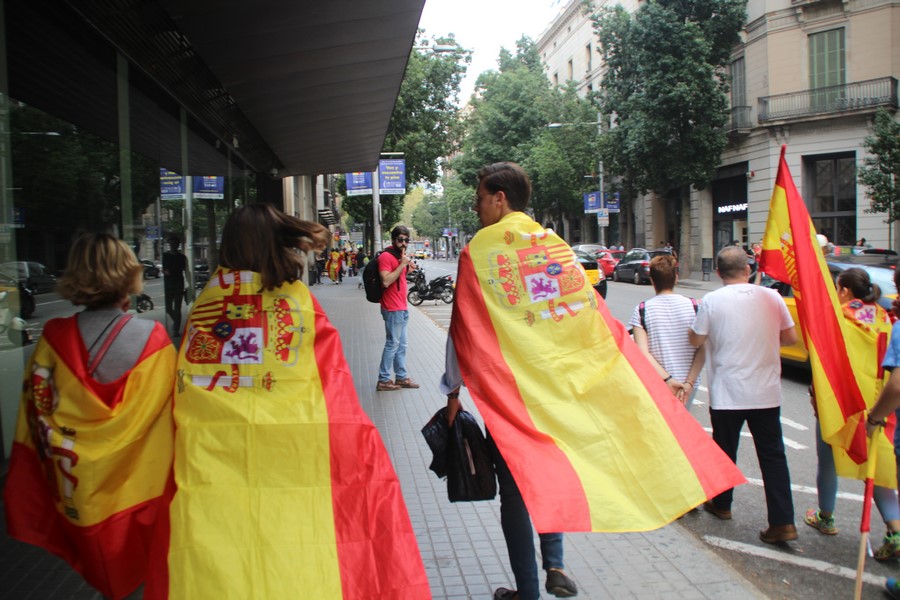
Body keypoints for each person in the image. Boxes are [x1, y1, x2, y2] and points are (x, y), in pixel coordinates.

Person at [440, 163, 744, 600]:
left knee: (517, 490)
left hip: (514, 394)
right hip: (563, 389)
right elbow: (589, 316)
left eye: (479, 198)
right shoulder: (554, 247)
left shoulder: (478, 252)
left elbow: (462, 328)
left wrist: (453, 391)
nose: (477, 207)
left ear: (499, 198)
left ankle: (527, 591)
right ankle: (557, 563)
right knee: (555, 471)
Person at [144, 204, 429, 599]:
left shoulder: (206, 305)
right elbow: (333, 386)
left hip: (210, 465)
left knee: (223, 566)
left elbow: (186, 385)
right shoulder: (297, 301)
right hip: (294, 457)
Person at [4, 233, 176, 599]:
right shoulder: (152, 339)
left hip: (77, 487)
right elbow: (170, 419)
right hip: (138, 492)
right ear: (129, 274)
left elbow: (38, 412)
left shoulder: (53, 337)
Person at [689, 245, 799, 543]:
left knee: (724, 450)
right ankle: (783, 522)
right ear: (748, 269)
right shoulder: (772, 297)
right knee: (774, 456)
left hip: (728, 391)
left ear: (717, 273)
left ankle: (722, 504)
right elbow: (790, 337)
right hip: (766, 391)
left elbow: (696, 338)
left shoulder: (711, 300)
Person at [804, 268, 900, 557]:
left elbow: (827, 363)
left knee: (828, 457)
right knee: (877, 469)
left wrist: (815, 391)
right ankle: (895, 531)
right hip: (877, 405)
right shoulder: (886, 319)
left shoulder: (839, 319)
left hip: (841, 402)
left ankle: (826, 517)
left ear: (844, 290)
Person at [628, 254, 704, 409]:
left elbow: (643, 352)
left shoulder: (642, 310)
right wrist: (689, 382)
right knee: (683, 426)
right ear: (675, 278)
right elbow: (704, 347)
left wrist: (668, 380)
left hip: (659, 382)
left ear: (652, 281)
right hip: (689, 383)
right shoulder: (695, 306)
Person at [376, 225, 419, 391]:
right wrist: (402, 265)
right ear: (393, 240)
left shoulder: (398, 257)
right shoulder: (386, 257)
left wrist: (407, 268)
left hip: (401, 307)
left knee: (402, 345)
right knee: (392, 344)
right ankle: (384, 380)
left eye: (406, 240)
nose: (403, 243)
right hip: (392, 308)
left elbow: (398, 278)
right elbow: (386, 280)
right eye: (400, 240)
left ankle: (401, 377)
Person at [162, 235, 188, 336]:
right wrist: (165, 271)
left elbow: (186, 271)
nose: (173, 246)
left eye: (175, 244)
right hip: (168, 285)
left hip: (178, 285)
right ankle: (176, 322)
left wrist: (188, 285)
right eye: (171, 244)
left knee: (177, 307)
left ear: (178, 245)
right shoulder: (165, 256)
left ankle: (176, 329)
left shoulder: (182, 257)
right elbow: (164, 269)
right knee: (168, 308)